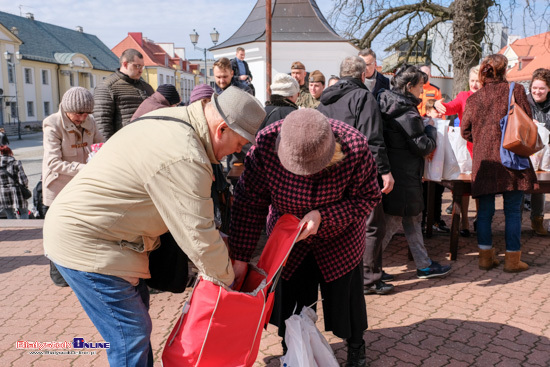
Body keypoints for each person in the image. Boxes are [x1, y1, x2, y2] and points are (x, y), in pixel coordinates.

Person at [42, 86, 266, 366]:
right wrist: (229, 284)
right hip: (88, 243)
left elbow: (191, 220)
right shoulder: (186, 154)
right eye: (237, 145)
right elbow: (199, 237)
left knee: (136, 325)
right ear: (221, 129)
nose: (234, 153)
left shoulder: (171, 119)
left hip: (105, 237)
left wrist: (219, 242)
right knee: (130, 334)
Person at [229, 109, 381, 367]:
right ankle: (292, 348)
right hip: (288, 240)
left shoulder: (355, 145)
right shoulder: (266, 143)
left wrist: (325, 216)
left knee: (347, 299)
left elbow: (368, 197)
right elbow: (249, 202)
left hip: (340, 238)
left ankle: (356, 346)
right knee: (290, 298)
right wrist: (240, 256)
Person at [317, 56, 395, 295]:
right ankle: (369, 278)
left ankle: (340, 272)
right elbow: (373, 138)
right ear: (363, 76)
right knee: (371, 224)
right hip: (359, 170)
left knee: (338, 223)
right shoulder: (363, 97)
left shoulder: (324, 100)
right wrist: (385, 172)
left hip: (330, 169)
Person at [461, 54, 538, 273]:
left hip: (485, 162)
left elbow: (465, 130)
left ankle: (485, 258)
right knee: (513, 211)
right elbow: (527, 122)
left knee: (484, 212)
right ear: (505, 70)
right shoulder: (516, 90)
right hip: (512, 158)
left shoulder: (474, 98)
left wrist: (485, 140)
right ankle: (512, 261)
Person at [378, 64, 452, 279]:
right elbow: (422, 146)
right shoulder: (405, 111)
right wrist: (430, 130)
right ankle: (368, 268)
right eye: (421, 85)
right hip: (404, 173)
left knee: (411, 217)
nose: (423, 89)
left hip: (398, 171)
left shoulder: (387, 102)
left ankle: (423, 264)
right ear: (409, 86)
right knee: (394, 220)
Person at [42, 86, 104, 287]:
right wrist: (86, 168)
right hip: (58, 186)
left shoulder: (90, 121)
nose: (82, 117)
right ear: (67, 109)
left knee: (79, 230)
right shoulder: (52, 124)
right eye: (78, 113)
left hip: (80, 185)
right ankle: (58, 276)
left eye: (87, 113)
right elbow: (53, 162)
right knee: (57, 231)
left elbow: (101, 145)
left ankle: (79, 271)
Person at [435, 65, 481, 237]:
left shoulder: (488, 97)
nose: (475, 84)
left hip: (484, 148)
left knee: (480, 186)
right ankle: (464, 221)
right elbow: (450, 108)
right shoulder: (464, 96)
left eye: (478, 81)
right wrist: (440, 106)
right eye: (472, 80)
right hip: (466, 147)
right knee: (464, 186)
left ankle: (480, 218)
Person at [93, 48, 154, 140]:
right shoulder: (107, 87)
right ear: (125, 64)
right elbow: (102, 122)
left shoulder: (147, 87)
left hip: (147, 141)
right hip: (123, 144)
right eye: (137, 66)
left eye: (142, 67)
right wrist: (108, 148)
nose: (141, 71)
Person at [417, 65, 449, 234]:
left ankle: (436, 219)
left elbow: (441, 112)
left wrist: (437, 121)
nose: (424, 77)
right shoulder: (414, 88)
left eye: (427, 74)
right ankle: (421, 221)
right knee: (422, 189)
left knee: (437, 187)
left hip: (434, 130)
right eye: (422, 74)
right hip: (419, 131)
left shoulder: (435, 90)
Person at [527, 68, 550, 236]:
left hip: (548, 154)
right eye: (535, 87)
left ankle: (537, 220)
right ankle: (515, 224)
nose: (537, 91)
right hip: (527, 152)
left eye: (542, 88)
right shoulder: (525, 102)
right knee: (524, 187)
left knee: (542, 187)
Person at [0, 145, 29, 219]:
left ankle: (13, 229)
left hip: (2, 191)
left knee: (9, 214)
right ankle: (25, 229)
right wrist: (25, 187)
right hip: (17, 191)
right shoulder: (16, 163)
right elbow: (23, 179)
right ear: (10, 152)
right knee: (24, 212)